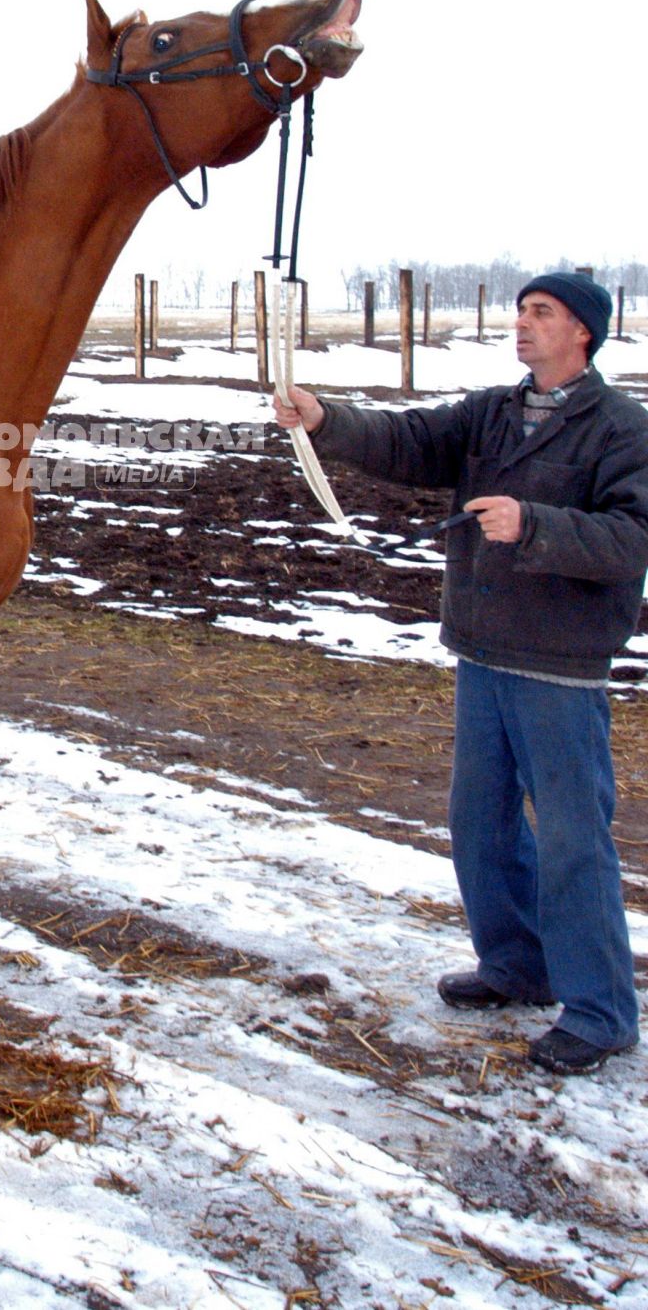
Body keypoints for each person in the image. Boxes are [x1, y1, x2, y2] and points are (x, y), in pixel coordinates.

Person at [274, 273, 648, 1074]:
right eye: (519, 311)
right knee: (481, 824)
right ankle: (519, 964)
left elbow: (631, 538)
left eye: (540, 313)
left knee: (575, 842)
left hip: (560, 665)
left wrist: (535, 523)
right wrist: (327, 419)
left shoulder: (621, 427)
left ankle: (602, 1009)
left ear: (583, 331)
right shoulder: (493, 412)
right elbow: (412, 441)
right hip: (482, 651)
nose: (523, 324)